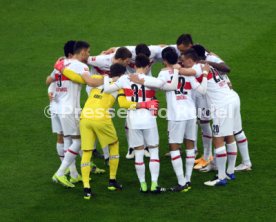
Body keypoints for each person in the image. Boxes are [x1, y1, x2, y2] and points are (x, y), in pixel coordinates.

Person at [129, 47, 209, 192]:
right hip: (191, 114)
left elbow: (157, 84)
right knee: (190, 145)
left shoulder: (163, 73)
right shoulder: (187, 72)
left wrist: (139, 79)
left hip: (176, 115)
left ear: (164, 60)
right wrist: (204, 74)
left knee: (174, 147)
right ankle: (188, 180)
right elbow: (203, 91)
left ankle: (181, 182)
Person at [103, 54, 168, 193]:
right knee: (154, 151)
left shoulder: (124, 79)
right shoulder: (151, 79)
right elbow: (162, 84)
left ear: (134, 65)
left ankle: (143, 185)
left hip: (133, 122)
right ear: (148, 66)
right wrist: (142, 81)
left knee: (138, 153)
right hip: (149, 120)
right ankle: (154, 184)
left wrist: (109, 78)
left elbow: (107, 89)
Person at [177, 49, 238, 186]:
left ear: (190, 60)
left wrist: (173, 66)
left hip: (221, 106)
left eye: (183, 60)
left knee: (218, 139)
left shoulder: (198, 67)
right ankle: (230, 172)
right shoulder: (208, 66)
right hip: (230, 99)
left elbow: (184, 72)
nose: (181, 62)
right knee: (229, 136)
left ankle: (221, 177)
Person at [52, 41, 104, 188]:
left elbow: (52, 81)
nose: (88, 55)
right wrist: (107, 79)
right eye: (88, 52)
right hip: (70, 109)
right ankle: (60, 173)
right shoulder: (81, 66)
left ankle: (74, 174)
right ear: (82, 52)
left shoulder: (61, 63)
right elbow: (91, 82)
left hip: (60, 107)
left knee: (68, 140)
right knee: (79, 141)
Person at [192, 44, 252, 172]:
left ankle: (221, 170)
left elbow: (226, 69)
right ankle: (244, 163)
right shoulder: (212, 64)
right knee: (234, 132)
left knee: (219, 134)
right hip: (231, 96)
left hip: (221, 102)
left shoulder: (202, 67)